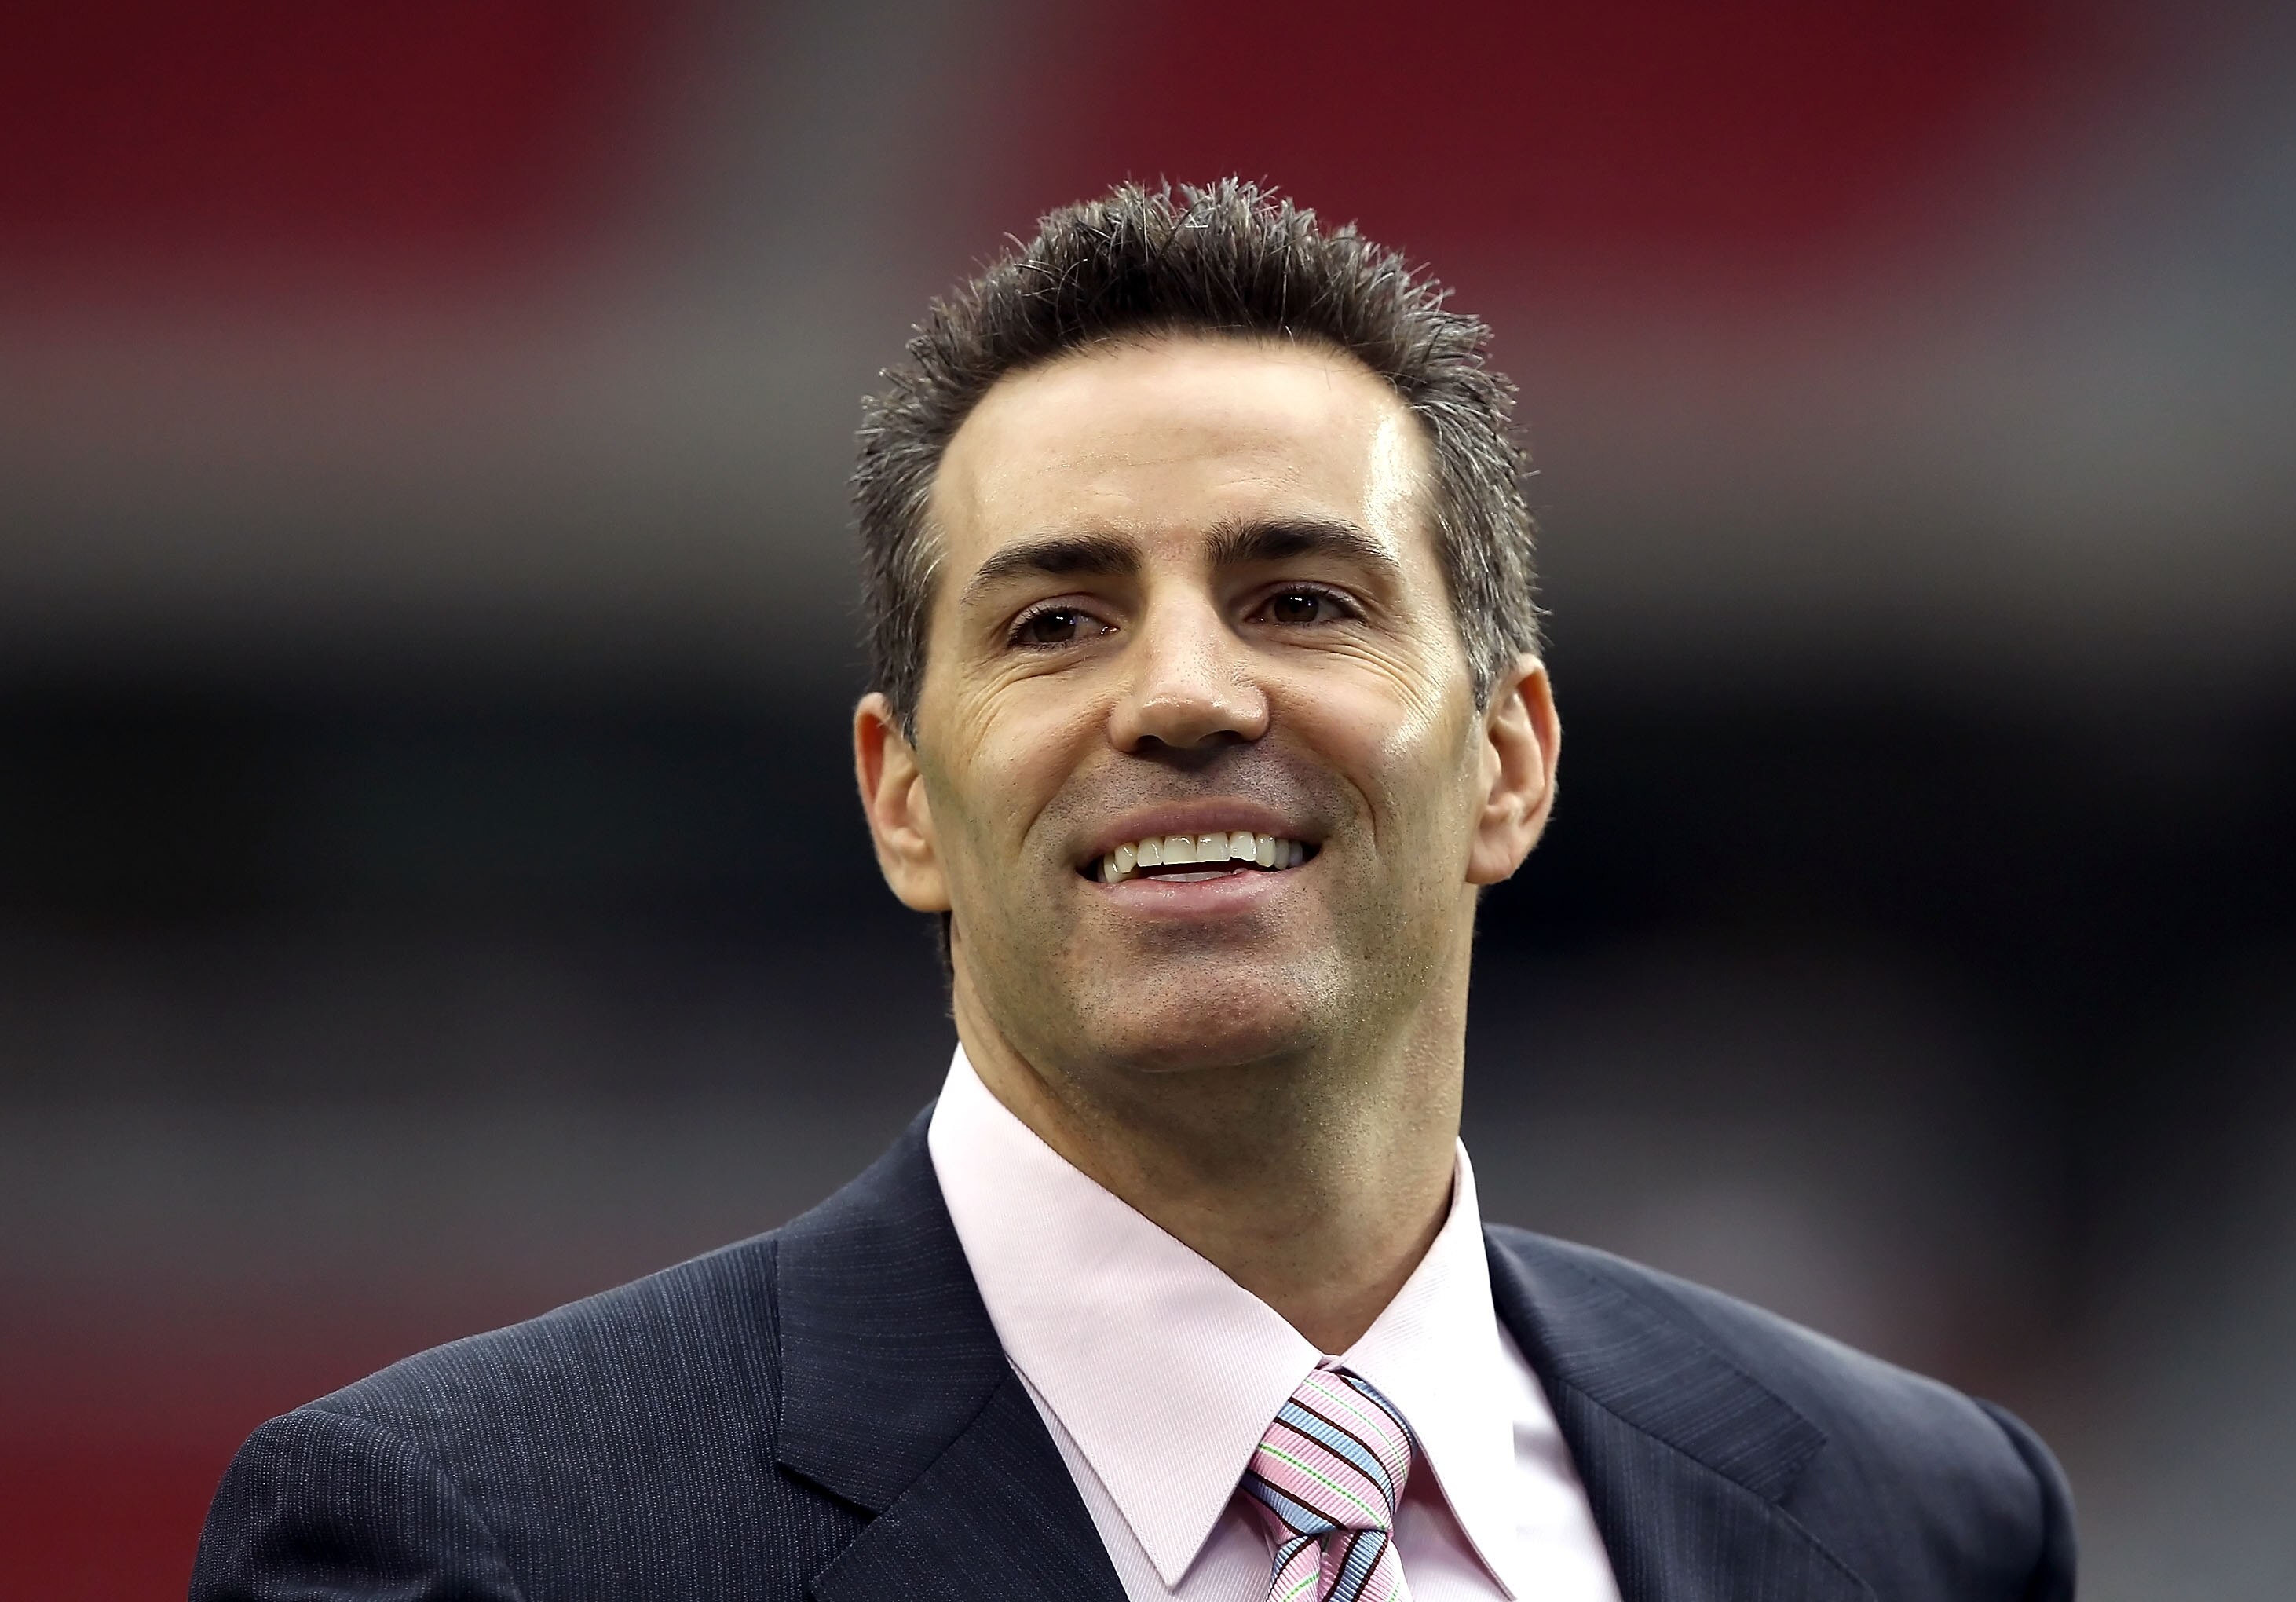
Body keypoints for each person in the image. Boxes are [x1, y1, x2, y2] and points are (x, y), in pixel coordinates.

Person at [192, 180, 2075, 1602]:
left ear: (1509, 759)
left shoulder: (1919, 1519)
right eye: (1058, 619)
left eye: (1304, 599)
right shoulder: (475, 1541)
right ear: (905, 797)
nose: (1182, 694)